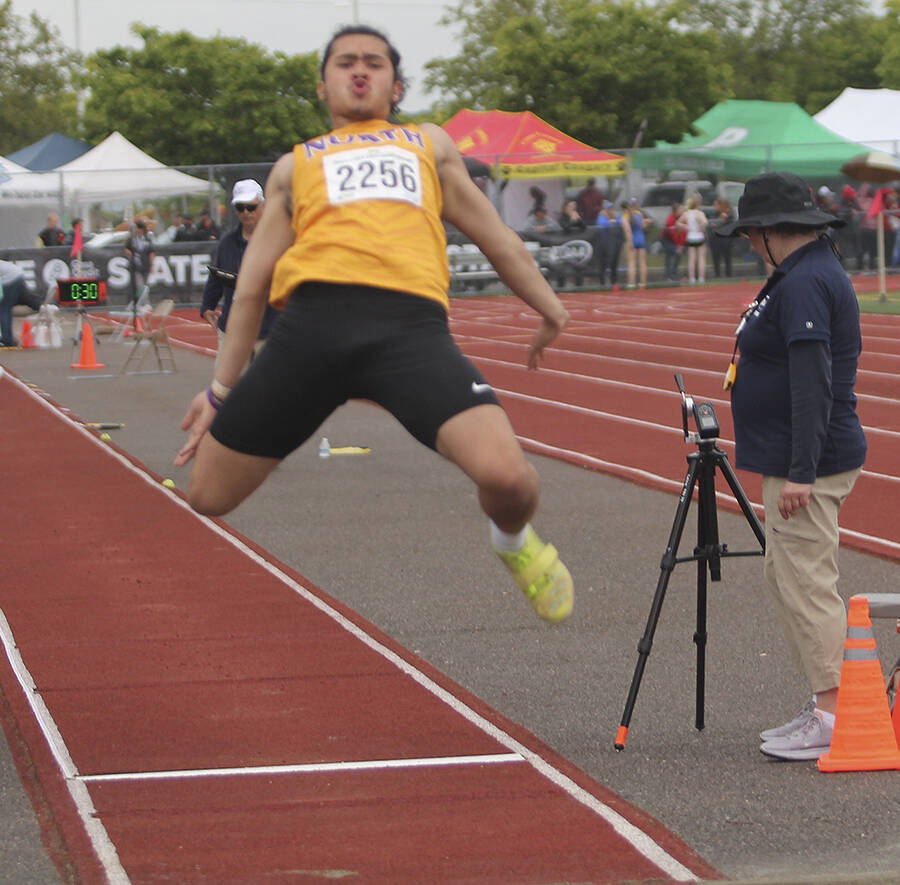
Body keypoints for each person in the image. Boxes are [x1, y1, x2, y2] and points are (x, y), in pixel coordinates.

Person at [175, 25, 574, 624]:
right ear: (323, 84)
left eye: (373, 63)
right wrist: (219, 391)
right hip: (309, 333)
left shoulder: (429, 145)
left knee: (511, 479)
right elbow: (252, 285)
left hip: (407, 333)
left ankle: (512, 544)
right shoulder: (294, 166)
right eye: (344, 63)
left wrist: (552, 310)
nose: (359, 71)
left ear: (395, 84)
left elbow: (498, 238)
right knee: (207, 495)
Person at [715, 171, 866, 761]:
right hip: (796, 455)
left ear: (773, 231)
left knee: (807, 583)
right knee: (789, 577)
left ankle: (834, 712)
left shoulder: (805, 283)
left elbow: (813, 383)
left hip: (812, 461)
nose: (750, 245)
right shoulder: (800, 275)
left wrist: (802, 469)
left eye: (752, 234)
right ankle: (825, 701)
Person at [201, 179, 277, 369]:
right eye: (240, 207)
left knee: (268, 391)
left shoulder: (276, 239)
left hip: (268, 328)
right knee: (226, 391)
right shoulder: (228, 241)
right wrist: (207, 306)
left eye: (251, 207)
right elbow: (217, 275)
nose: (245, 213)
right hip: (232, 328)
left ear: (263, 205)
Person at [123, 219, 155, 307]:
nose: (137, 230)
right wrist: (129, 253)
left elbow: (151, 252)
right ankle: (145, 303)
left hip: (146, 265)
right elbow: (126, 249)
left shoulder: (147, 239)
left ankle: (141, 303)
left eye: (139, 228)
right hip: (136, 266)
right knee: (140, 285)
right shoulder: (132, 240)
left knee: (145, 286)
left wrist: (152, 265)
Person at [677, 196, 708, 285]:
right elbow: (705, 222)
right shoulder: (700, 213)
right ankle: (701, 278)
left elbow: (678, 223)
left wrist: (686, 227)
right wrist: (701, 227)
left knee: (691, 258)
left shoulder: (686, 213)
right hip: (699, 237)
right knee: (701, 258)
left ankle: (692, 278)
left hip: (690, 237)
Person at [621, 197, 649, 289]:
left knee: (632, 262)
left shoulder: (625, 217)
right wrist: (647, 223)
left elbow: (628, 231)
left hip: (633, 239)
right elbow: (642, 227)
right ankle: (643, 283)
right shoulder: (639, 214)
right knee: (642, 262)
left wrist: (630, 243)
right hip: (641, 238)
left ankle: (631, 283)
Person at [594, 200, 623, 288]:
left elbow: (620, 222)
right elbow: (601, 223)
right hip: (603, 244)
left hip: (614, 244)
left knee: (614, 263)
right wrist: (610, 221)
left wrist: (614, 221)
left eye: (611, 208)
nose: (610, 210)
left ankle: (614, 282)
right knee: (603, 264)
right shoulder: (602, 216)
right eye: (608, 209)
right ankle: (602, 283)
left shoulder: (615, 216)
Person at [0, 260, 28, 347]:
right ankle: (8, 338)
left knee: (4, 308)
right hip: (16, 275)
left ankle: (7, 339)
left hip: (11, 278)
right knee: (6, 308)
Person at [708, 198, 735, 278]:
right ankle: (717, 274)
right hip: (715, 239)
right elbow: (711, 224)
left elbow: (729, 225)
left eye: (716, 205)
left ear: (721, 205)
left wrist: (722, 220)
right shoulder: (716, 214)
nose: (715, 207)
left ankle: (728, 274)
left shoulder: (729, 214)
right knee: (716, 258)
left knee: (727, 258)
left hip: (725, 239)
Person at [659, 202, 685, 282]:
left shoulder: (682, 218)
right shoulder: (670, 219)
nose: (681, 210)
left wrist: (681, 245)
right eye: (680, 209)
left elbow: (684, 232)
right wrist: (678, 246)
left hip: (675, 241)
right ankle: (668, 276)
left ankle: (672, 274)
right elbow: (673, 234)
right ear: (675, 211)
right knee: (670, 254)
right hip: (666, 240)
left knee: (678, 254)